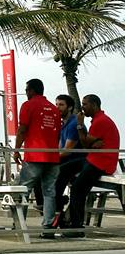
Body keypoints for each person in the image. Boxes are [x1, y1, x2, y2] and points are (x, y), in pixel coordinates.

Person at [65, 94, 120, 238]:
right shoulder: (99, 120)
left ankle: (77, 227)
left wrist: (79, 124)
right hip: (94, 158)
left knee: (77, 188)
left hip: (101, 162)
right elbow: (88, 143)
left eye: (85, 104)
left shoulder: (100, 121)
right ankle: (63, 212)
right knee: (65, 170)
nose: (82, 107)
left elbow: (84, 143)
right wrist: (92, 142)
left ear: (94, 105)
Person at [12, 78, 61, 237]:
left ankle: (19, 225)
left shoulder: (28, 105)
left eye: (27, 90)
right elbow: (57, 133)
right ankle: (48, 227)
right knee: (49, 192)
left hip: (34, 156)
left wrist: (16, 149)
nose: (26, 93)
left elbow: (22, 129)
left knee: (23, 190)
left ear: (32, 90)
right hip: (52, 157)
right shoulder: (54, 109)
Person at [54, 94, 86, 223]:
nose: (57, 108)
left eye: (61, 105)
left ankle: (58, 211)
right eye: (56, 104)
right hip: (66, 160)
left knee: (55, 179)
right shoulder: (63, 124)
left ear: (70, 107)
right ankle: (57, 206)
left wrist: (50, 158)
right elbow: (59, 147)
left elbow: (67, 151)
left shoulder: (73, 124)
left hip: (75, 161)